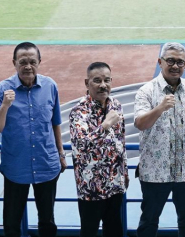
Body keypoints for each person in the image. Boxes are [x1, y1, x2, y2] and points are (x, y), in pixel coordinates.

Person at [0, 42, 66, 237]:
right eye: (23, 62)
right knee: (12, 223)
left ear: (39, 62)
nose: (28, 66)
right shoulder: (1, 90)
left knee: (47, 222)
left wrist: (61, 153)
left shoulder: (50, 86)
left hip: (46, 164)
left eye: (32, 61)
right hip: (16, 167)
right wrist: (5, 106)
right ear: (14, 63)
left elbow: (55, 122)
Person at [134, 42, 185, 237]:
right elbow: (140, 124)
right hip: (155, 171)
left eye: (180, 62)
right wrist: (159, 108)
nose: (175, 66)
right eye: (170, 61)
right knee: (149, 221)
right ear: (160, 62)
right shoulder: (146, 91)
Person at [69, 62, 128, 237]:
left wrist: (124, 174)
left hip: (115, 184)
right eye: (97, 80)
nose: (103, 85)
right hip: (90, 188)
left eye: (107, 80)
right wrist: (105, 125)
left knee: (115, 231)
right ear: (87, 83)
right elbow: (82, 146)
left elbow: (120, 141)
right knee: (89, 231)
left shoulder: (115, 105)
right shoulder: (78, 112)